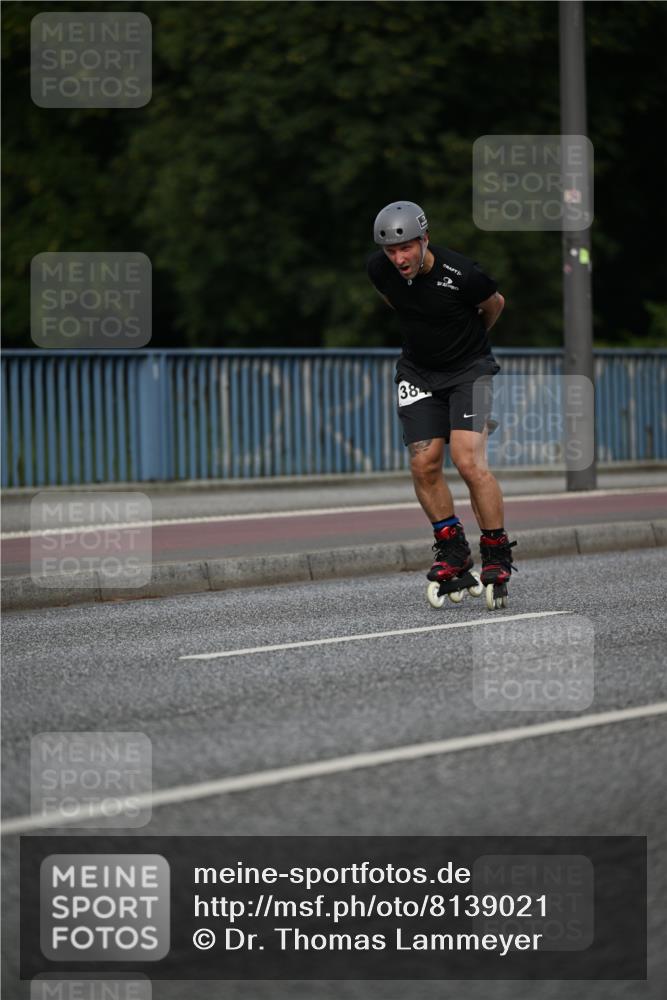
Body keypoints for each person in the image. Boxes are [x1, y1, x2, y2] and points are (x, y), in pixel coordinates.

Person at [366, 200, 516, 604]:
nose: (399, 259)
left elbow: (494, 305)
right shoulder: (379, 269)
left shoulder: (463, 274)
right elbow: (394, 300)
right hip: (418, 372)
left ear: (424, 239)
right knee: (423, 461)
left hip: (470, 370)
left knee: (468, 460)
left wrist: (468, 344)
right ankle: (452, 549)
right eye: (391, 251)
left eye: (407, 248)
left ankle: (496, 552)